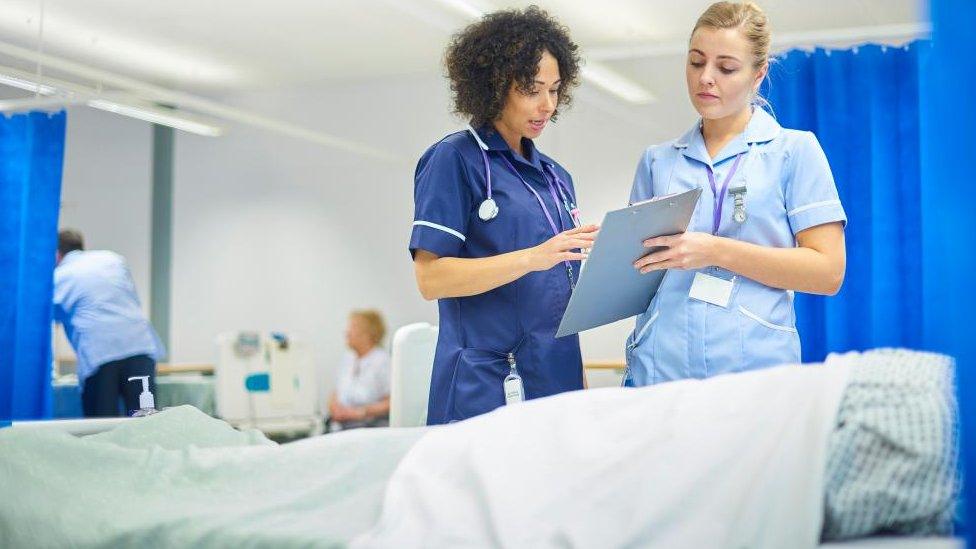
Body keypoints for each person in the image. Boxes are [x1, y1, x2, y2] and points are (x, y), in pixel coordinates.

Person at [626, 1, 847, 386]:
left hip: (756, 370)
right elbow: (636, 275)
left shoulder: (793, 152)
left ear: (758, 73)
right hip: (661, 369)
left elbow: (828, 272)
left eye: (726, 67)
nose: (706, 78)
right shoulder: (658, 162)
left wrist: (714, 250)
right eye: (696, 62)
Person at [409, 7, 598, 425]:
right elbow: (431, 278)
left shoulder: (555, 177)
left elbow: (558, 294)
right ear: (495, 86)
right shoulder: (454, 159)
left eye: (554, 89)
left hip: (557, 376)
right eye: (532, 89)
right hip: (488, 383)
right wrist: (534, 257)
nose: (547, 105)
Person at [52, 229, 165, 416]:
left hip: (101, 355)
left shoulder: (60, 276)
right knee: (146, 421)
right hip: (140, 347)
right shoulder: (113, 259)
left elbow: (42, 317)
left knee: (102, 427)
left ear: (56, 255)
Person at [327, 310, 391, 431]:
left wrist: (360, 412)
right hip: (340, 426)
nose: (347, 333)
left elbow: (392, 401)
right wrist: (334, 407)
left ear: (368, 333)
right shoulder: (348, 358)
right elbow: (336, 392)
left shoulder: (382, 361)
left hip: (368, 427)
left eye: (353, 327)